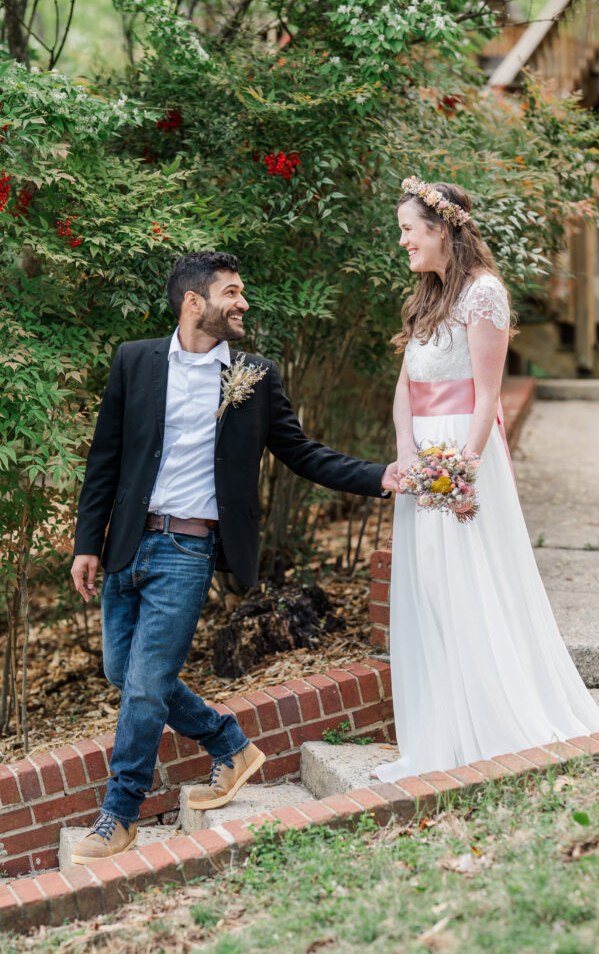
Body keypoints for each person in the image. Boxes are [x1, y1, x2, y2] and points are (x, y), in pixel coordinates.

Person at [70, 250, 398, 862]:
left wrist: (383, 475)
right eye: (233, 292)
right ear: (195, 302)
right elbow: (104, 460)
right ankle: (230, 744)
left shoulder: (254, 373)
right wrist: (87, 542)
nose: (243, 302)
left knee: (144, 686)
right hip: (124, 545)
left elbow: (302, 452)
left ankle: (119, 815)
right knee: (126, 675)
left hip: (188, 548)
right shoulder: (135, 361)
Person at [374, 178, 599, 783]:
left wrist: (461, 468)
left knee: (469, 584)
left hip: (463, 452)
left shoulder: (483, 295)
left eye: (410, 229)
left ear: (441, 230)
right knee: (432, 589)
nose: (403, 239)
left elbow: (489, 396)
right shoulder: (425, 298)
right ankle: (444, 724)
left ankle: (488, 720)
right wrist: (407, 456)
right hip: (423, 459)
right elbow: (406, 386)